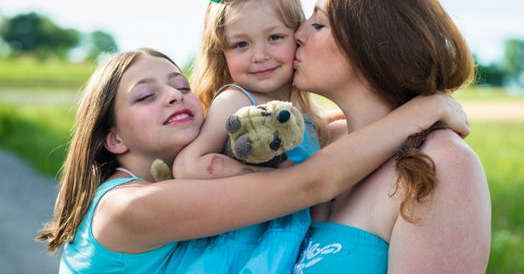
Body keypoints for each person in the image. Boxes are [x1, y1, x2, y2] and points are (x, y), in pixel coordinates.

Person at [37, 48, 468, 273]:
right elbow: (309, 185)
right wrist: (425, 109)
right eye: (147, 96)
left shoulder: (154, 188)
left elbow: (320, 131)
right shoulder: (130, 209)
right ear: (112, 137)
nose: (173, 95)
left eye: (180, 85)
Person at [292, 0, 491, 274]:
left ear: (369, 44)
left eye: (317, 24)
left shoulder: (441, 164)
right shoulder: (317, 142)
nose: (297, 35)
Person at [171, 0, 328, 272]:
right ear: (222, 52)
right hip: (242, 248)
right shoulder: (236, 100)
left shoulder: (303, 114)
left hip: (291, 245)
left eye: (274, 38)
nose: (259, 55)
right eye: (241, 44)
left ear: (296, 35)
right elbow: (187, 165)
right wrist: (265, 178)